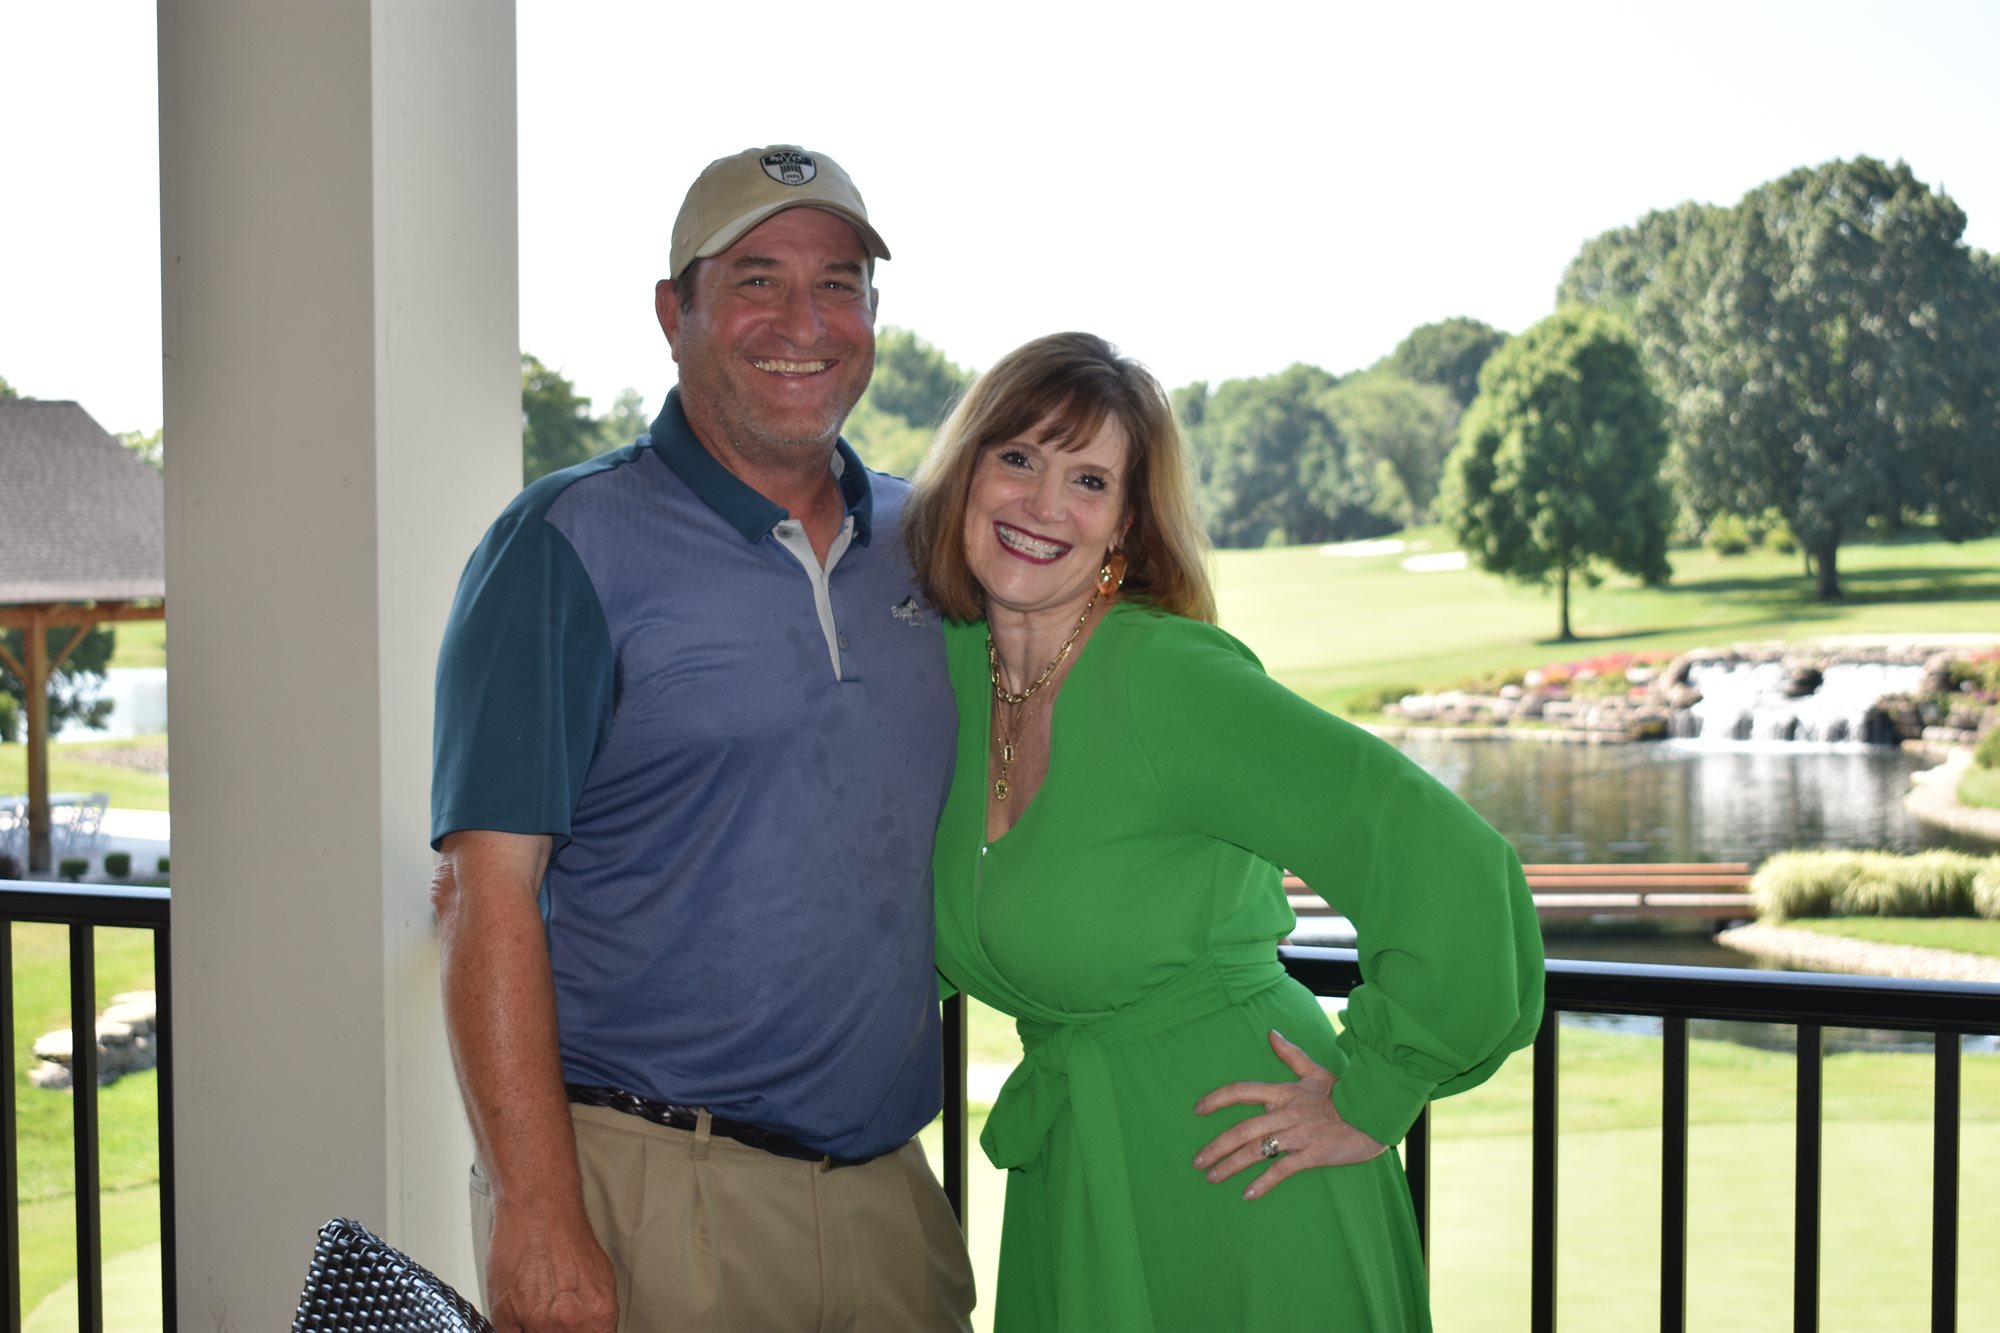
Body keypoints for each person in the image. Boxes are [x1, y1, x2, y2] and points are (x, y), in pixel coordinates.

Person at [429, 145, 975, 1333]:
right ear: (672, 313)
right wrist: (535, 1209)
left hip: (889, 1197)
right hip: (651, 1196)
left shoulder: (926, 539)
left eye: (837, 285)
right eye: (756, 281)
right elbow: (483, 891)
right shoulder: (561, 544)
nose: (803, 323)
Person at [903, 331, 1545, 1331]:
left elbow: (1439, 851)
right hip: (1082, 1176)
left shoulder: (1168, 680)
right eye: (1017, 457)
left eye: (1088, 480)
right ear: (966, 473)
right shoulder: (949, 669)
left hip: (1251, 1180)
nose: (1042, 504)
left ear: (1125, 522)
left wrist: (1379, 1087)